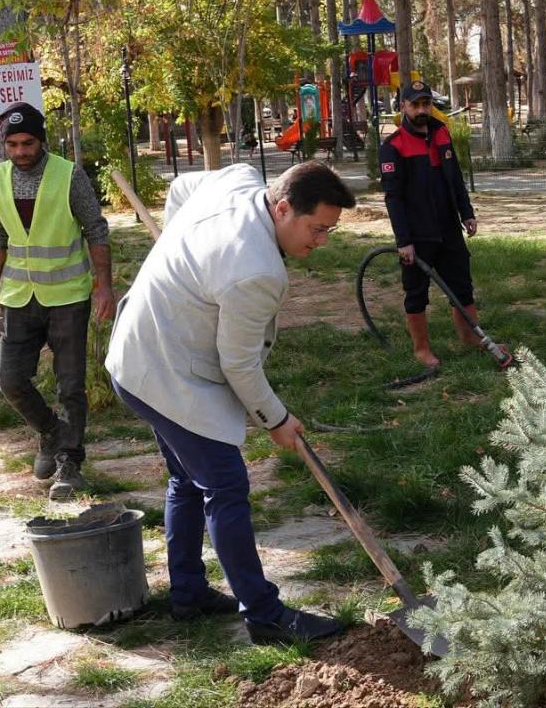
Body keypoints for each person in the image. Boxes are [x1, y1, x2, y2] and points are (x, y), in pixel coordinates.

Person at [105, 161, 356, 643]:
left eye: (329, 230)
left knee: (187, 477)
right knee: (225, 485)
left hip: (136, 351)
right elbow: (238, 365)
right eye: (317, 228)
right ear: (282, 207)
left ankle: (188, 594)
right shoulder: (256, 270)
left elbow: (181, 187)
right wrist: (277, 420)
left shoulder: (238, 178)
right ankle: (263, 615)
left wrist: (183, 261)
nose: (322, 241)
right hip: (163, 372)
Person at [0, 102, 114, 500]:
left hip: (68, 296)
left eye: (28, 142)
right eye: (12, 144)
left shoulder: (68, 175)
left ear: (42, 140)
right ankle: (51, 431)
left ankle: (70, 463)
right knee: (10, 378)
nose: (20, 151)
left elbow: (96, 229)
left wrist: (103, 285)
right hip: (19, 297)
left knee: (70, 384)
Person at [378, 80, 481, 368]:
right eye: (416, 104)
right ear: (403, 108)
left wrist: (466, 212)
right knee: (416, 293)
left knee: (462, 286)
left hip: (449, 229)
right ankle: (421, 349)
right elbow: (393, 198)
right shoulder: (393, 146)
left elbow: (455, 178)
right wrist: (404, 241)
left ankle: (471, 338)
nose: (422, 109)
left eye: (426, 104)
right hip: (417, 234)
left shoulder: (442, 134)